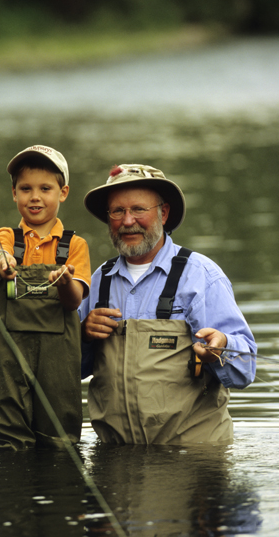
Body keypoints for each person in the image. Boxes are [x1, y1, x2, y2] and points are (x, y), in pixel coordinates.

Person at [79, 163, 256, 445]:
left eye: (138, 209)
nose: (127, 221)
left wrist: (221, 346)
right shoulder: (98, 280)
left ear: (163, 213)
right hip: (116, 459)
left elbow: (245, 371)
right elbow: (72, 371)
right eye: (117, 211)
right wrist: (83, 336)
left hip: (194, 461)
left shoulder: (202, 276)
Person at [0, 145, 91, 450]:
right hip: (8, 352)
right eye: (25, 188)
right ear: (14, 193)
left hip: (58, 353)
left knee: (59, 436)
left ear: (63, 192)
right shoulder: (4, 237)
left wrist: (65, 281)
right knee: (8, 429)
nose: (35, 197)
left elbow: (73, 303)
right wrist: (2, 262)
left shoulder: (75, 245)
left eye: (45, 188)